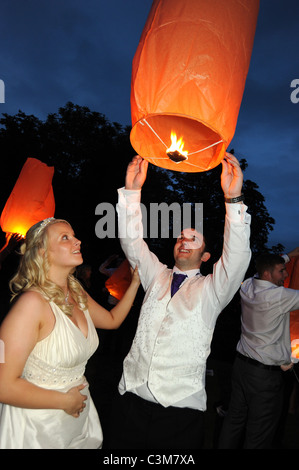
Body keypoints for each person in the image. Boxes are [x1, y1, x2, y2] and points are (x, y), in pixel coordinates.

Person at [105, 153, 251, 449]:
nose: (184, 241)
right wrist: (132, 193)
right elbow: (131, 241)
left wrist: (233, 200)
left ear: (206, 256)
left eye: (193, 239)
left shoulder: (213, 289)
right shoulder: (155, 273)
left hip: (180, 413)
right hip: (130, 399)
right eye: (180, 237)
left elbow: (236, 256)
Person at [0, 217, 140, 449]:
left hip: (75, 417)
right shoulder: (31, 304)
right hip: (36, 427)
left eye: (74, 235)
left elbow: (112, 320)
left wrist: (134, 283)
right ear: (43, 252)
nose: (77, 241)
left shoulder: (77, 294)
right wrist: (65, 400)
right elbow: (3, 385)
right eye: (65, 238)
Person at [218, 248, 299, 449]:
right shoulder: (278, 296)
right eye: (282, 271)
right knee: (259, 434)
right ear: (267, 274)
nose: (286, 274)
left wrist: (289, 256)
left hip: (241, 368)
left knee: (234, 421)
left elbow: (259, 271)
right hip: (264, 378)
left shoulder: (247, 286)